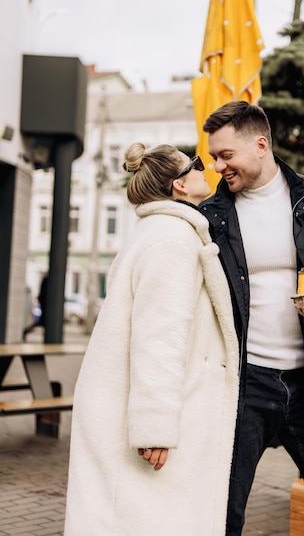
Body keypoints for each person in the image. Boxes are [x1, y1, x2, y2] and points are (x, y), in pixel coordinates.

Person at [199, 100, 304, 536]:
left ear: (260, 145)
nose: (218, 166)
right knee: (220, 512)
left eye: (225, 155)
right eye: (214, 156)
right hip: (243, 383)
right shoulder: (211, 217)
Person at [64, 144, 239, 536]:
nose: (205, 168)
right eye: (196, 165)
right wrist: (155, 428)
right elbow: (159, 337)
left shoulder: (158, 231)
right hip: (153, 418)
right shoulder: (173, 240)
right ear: (179, 185)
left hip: (127, 404)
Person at [22, 274, 49, 341]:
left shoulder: (46, 279)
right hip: (46, 305)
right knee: (42, 322)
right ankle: (25, 331)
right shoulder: (48, 280)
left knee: (42, 322)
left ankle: (26, 331)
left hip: (44, 304)